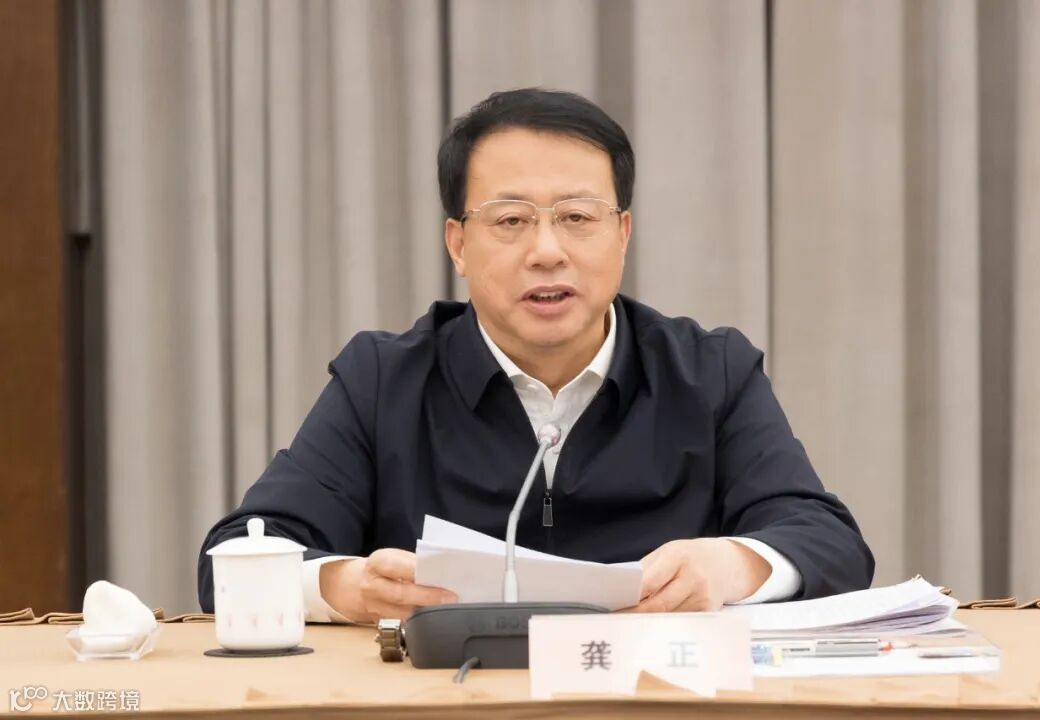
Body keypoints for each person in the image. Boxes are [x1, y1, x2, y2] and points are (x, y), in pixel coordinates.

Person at [198, 88, 873, 623]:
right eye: (511, 220)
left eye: (577, 217)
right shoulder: (383, 380)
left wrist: (730, 567)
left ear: (622, 234)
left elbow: (829, 541)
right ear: (458, 245)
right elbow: (235, 557)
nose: (547, 251)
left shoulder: (709, 372)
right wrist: (345, 585)